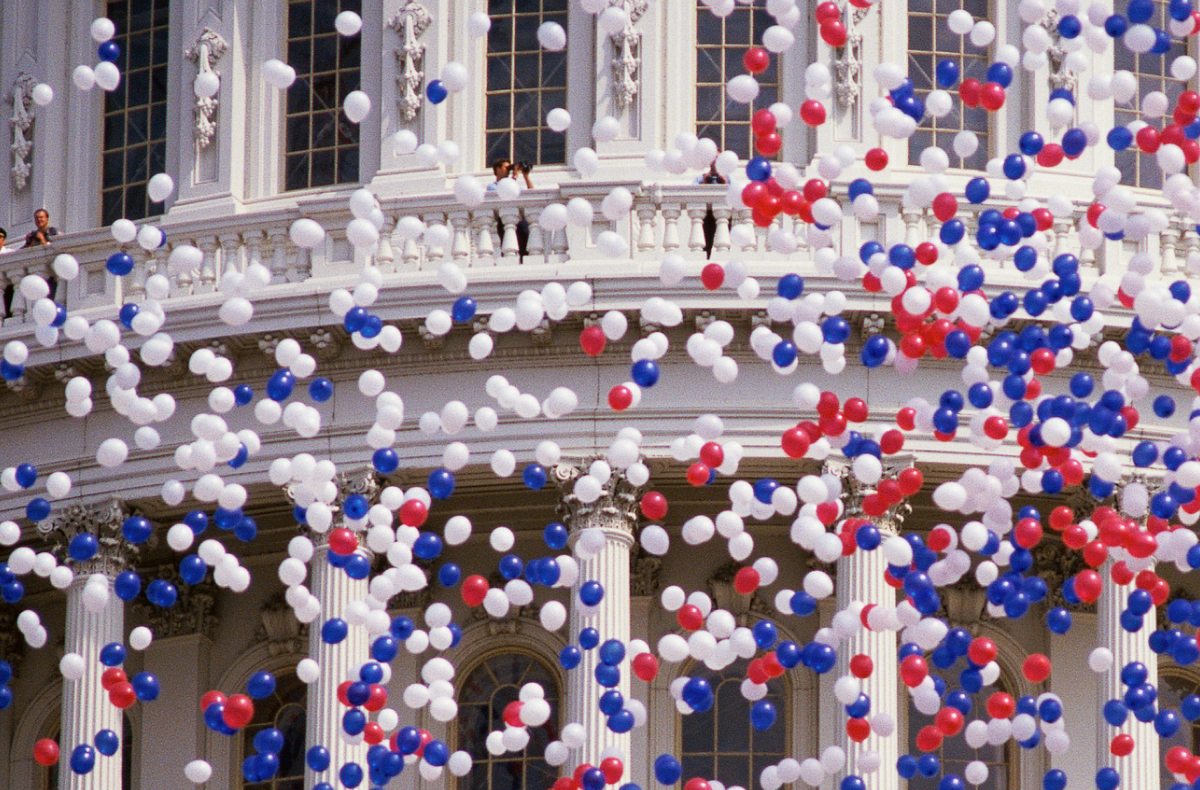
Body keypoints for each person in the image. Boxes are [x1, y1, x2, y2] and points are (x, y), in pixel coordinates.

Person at [488, 158, 533, 258]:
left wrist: (526, 177)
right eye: (506, 167)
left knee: (525, 244)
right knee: (507, 247)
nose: (509, 170)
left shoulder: (514, 184)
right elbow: (504, 194)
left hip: (520, 219)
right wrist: (514, 178)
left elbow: (532, 194)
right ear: (498, 169)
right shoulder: (492, 186)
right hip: (505, 220)